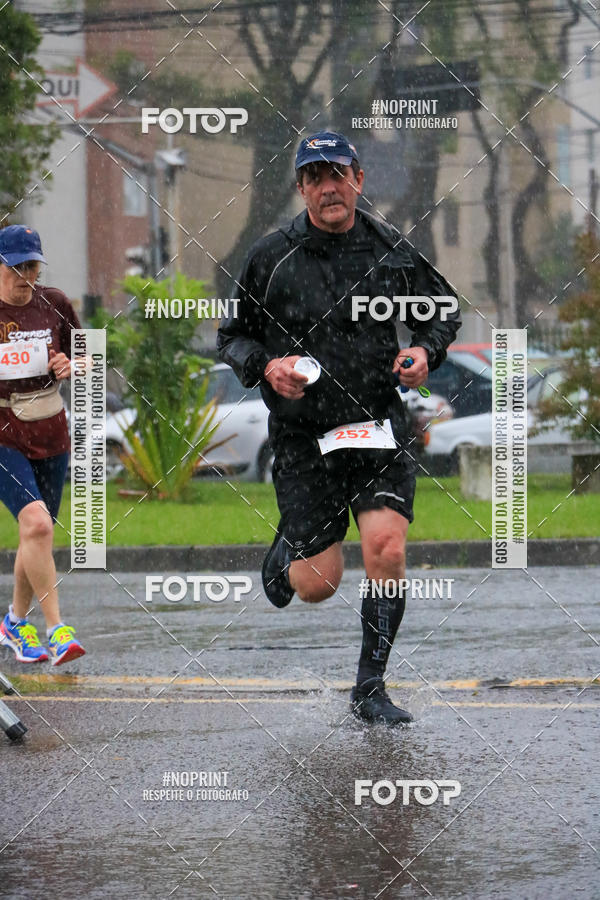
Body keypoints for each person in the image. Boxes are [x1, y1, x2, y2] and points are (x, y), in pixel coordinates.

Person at [217, 131, 461, 725]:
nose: (329, 187)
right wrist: (266, 366)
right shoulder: (270, 257)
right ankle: (289, 548)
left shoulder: (389, 248)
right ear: (301, 188)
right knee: (317, 584)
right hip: (304, 436)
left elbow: (442, 309)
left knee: (387, 548)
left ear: (358, 179)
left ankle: (369, 688)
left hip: (377, 425)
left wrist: (424, 352)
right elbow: (232, 337)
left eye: (339, 174)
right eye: (315, 177)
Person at [0, 225, 85, 666]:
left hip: (50, 430)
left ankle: (14, 623)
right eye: (17, 267)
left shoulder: (55, 303)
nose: (26, 276)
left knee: (37, 532)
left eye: (32, 266)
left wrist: (72, 364)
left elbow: (88, 356)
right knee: (36, 524)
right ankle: (57, 630)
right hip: (3, 433)